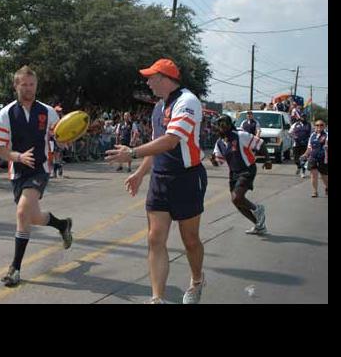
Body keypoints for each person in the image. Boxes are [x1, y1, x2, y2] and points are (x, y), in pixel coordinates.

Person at [105, 58, 208, 304]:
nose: (148, 83)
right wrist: (140, 173)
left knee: (190, 239)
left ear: (165, 79)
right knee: (155, 238)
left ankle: (197, 280)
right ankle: (157, 298)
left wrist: (132, 153)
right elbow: (155, 146)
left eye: (151, 78)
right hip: (160, 179)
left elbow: (170, 141)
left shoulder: (188, 102)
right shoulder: (158, 108)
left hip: (186, 178)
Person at [0, 65, 73, 287]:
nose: (28, 88)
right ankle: (62, 225)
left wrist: (65, 141)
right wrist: (17, 156)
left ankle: (15, 269)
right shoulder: (6, 114)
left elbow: (59, 138)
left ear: (36, 85)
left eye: (32, 84)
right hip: (18, 172)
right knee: (32, 217)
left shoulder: (48, 112)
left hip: (39, 170)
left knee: (21, 212)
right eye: (24, 84)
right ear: (16, 86)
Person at [210, 114, 271, 235]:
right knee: (236, 202)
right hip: (234, 173)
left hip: (247, 169)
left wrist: (268, 160)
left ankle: (257, 209)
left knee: (237, 197)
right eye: (217, 126)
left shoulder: (240, 135)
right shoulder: (219, 143)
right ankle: (259, 225)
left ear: (228, 126)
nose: (218, 129)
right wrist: (213, 161)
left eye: (221, 125)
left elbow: (260, 143)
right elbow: (219, 162)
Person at [302, 120, 328, 197]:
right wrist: (305, 154)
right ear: (315, 126)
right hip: (313, 157)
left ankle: (327, 187)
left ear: (324, 126)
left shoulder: (327, 135)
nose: (319, 126)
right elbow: (309, 148)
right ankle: (315, 191)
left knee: (324, 175)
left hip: (323, 158)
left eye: (321, 125)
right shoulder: (312, 135)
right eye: (317, 125)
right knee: (314, 174)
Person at [289, 112, 311, 177]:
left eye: (304, 117)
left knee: (304, 158)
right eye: (302, 117)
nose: (303, 118)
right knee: (296, 159)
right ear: (300, 117)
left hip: (305, 144)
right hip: (296, 144)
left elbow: (312, 133)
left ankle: (303, 172)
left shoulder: (309, 125)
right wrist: (294, 136)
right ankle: (299, 166)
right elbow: (290, 132)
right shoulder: (295, 124)